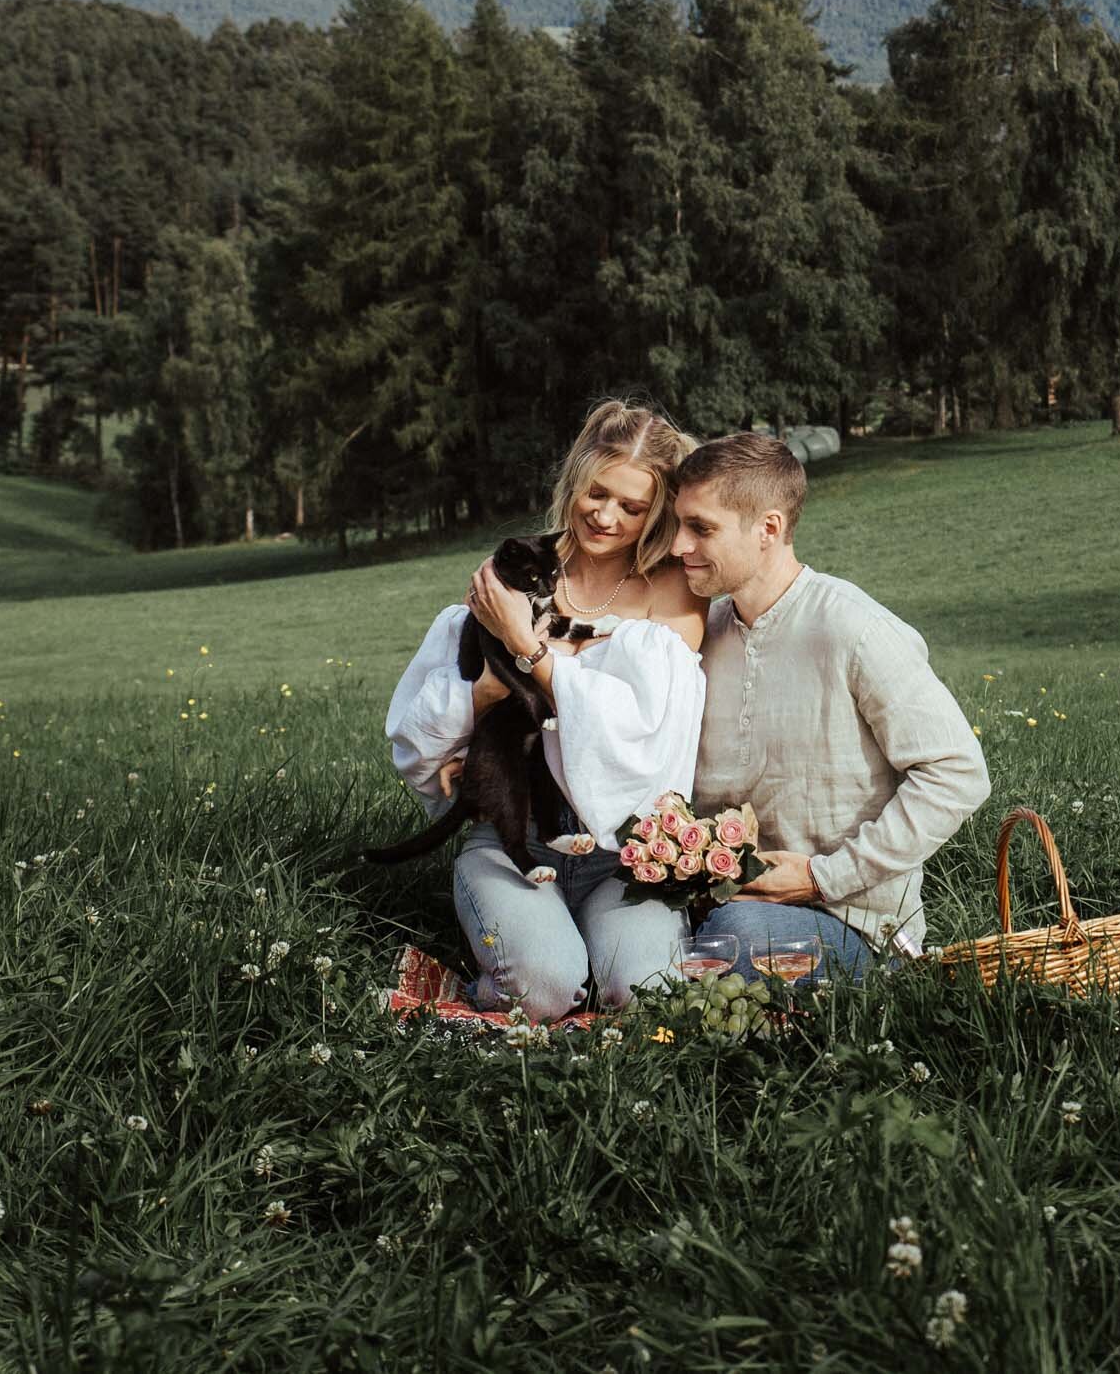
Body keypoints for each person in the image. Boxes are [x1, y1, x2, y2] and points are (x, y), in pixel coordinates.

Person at [384, 402, 707, 1021]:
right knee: (545, 988)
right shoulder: (519, 565)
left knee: (645, 996)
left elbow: (644, 733)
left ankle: (571, 947)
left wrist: (528, 647)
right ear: (575, 479)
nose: (605, 516)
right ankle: (519, 960)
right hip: (513, 838)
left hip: (625, 852)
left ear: (658, 511)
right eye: (596, 492)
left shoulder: (674, 591)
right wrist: (472, 721)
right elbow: (452, 691)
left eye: (632, 507)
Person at [672, 433, 988, 975]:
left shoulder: (854, 627)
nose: (679, 545)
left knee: (726, 943)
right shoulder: (701, 636)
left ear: (768, 528)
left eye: (701, 528)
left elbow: (958, 774)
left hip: (851, 922)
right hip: (724, 900)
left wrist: (823, 877)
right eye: (679, 526)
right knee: (628, 941)